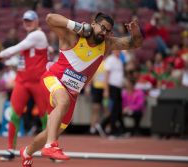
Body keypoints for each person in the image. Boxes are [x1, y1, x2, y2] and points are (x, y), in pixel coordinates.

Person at [19, 12, 143, 166]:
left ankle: (27, 152)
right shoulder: (73, 36)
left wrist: (136, 32)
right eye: (102, 28)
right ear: (93, 23)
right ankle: (51, 146)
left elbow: (135, 43)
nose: (104, 33)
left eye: (108, 31)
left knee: (50, 131)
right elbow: (50, 18)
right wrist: (76, 26)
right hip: (53, 79)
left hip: (72, 94)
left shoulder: (106, 44)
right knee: (62, 102)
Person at [0, 10, 49, 161]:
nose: (27, 23)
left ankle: (50, 147)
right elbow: (24, 56)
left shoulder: (38, 35)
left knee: (45, 115)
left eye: (30, 20)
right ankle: (10, 150)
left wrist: (3, 54)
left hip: (38, 82)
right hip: (22, 81)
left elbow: (18, 48)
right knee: (14, 114)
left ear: (37, 21)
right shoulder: (32, 37)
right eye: (25, 20)